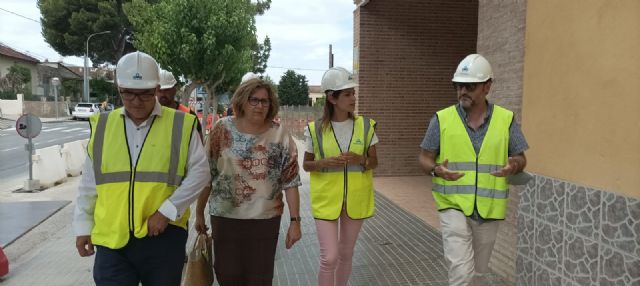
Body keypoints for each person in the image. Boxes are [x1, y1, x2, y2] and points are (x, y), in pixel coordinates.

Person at [73, 51, 211, 285]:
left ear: (157, 89)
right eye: (129, 93)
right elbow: (89, 181)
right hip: (111, 239)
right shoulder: (103, 125)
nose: (136, 101)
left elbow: (201, 173)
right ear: (119, 89)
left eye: (145, 94)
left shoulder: (181, 124)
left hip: (163, 236)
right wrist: (83, 225)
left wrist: (167, 211)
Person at [418, 54, 529, 286]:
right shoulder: (441, 119)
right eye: (458, 86)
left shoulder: (506, 119)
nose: (462, 92)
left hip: (489, 209)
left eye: (469, 86)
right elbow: (424, 158)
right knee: (461, 272)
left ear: (487, 86)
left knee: (478, 275)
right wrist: (436, 170)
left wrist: (514, 165)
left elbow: (520, 157)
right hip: (453, 205)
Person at [195, 77, 302, 285]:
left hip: (265, 220)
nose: (260, 106)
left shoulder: (279, 135)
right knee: (227, 275)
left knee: (259, 279)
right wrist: (198, 213)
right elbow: (206, 175)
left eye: (265, 101)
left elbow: (291, 181)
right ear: (242, 100)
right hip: (226, 219)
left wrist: (295, 222)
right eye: (254, 100)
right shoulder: (221, 129)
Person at [302, 67, 379, 286]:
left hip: (356, 201)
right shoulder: (315, 129)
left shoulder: (365, 126)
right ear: (331, 97)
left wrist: (360, 160)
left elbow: (374, 162)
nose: (353, 98)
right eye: (347, 94)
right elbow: (306, 165)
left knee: (346, 254)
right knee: (330, 257)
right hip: (326, 201)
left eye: (353, 92)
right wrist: (323, 163)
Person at [157, 69, 203, 139]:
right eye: (159, 91)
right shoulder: (149, 114)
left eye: (166, 90)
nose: (163, 94)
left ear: (174, 90)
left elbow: (199, 143)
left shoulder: (189, 115)